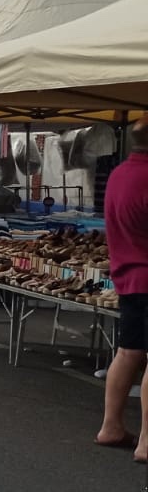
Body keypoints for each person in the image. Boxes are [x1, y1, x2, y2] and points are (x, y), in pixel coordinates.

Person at [97, 119, 148, 460]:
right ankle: (146, 441)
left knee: (129, 352)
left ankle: (111, 426)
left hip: (127, 276)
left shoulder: (119, 174)